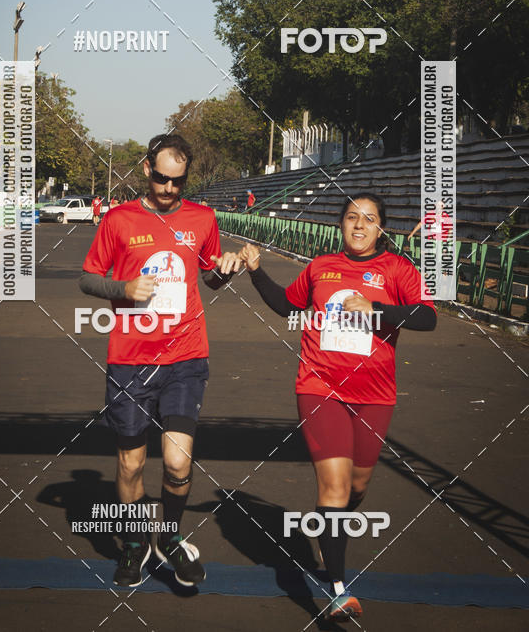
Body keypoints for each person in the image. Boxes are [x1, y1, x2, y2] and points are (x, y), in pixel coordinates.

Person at [239, 192, 436, 621]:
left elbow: (427, 316)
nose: (359, 226)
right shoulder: (320, 267)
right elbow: (286, 304)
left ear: (381, 227)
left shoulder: (397, 269)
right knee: (334, 486)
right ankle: (338, 590)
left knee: (356, 489)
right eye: (351, 218)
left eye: (368, 219)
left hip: (375, 394)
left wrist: (377, 308)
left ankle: (331, 526)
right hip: (319, 386)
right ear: (340, 224)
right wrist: (256, 272)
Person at [79, 134, 242, 589]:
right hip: (130, 359)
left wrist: (224, 273)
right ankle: (134, 543)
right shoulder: (119, 220)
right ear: (148, 168)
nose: (170, 189)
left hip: (185, 357)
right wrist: (123, 289)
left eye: (179, 181)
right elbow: (88, 279)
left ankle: (168, 537)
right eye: (163, 178)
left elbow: (208, 278)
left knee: (176, 462)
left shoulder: (202, 218)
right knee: (131, 465)